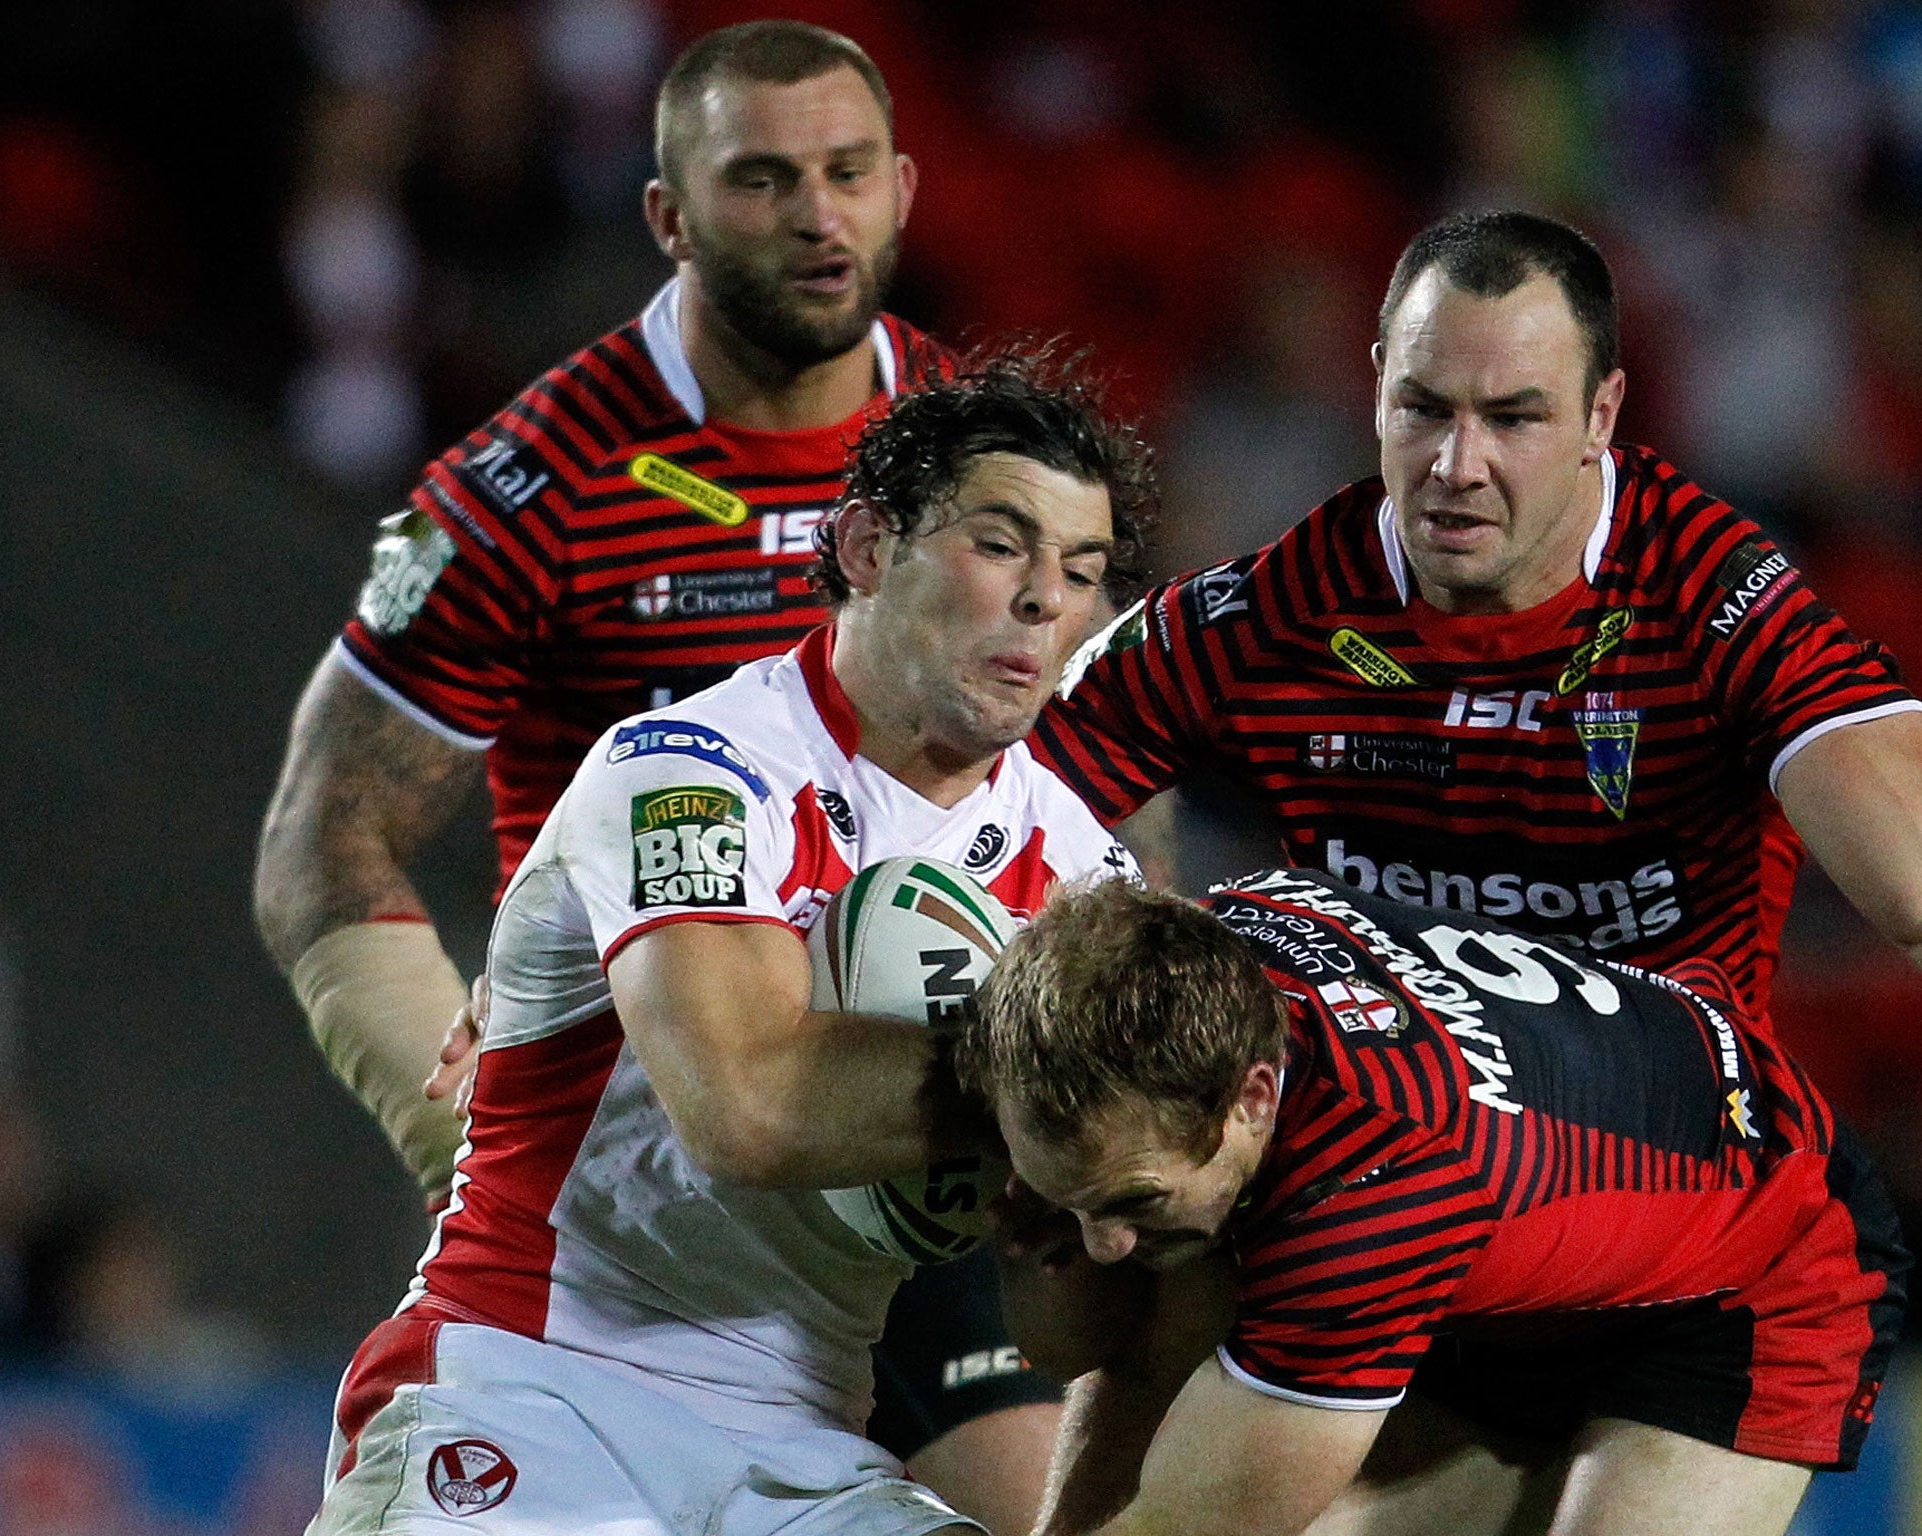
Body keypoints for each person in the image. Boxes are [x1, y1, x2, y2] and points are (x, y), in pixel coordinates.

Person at [255, 21, 1061, 1523]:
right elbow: (325, 841)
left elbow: (1097, 785)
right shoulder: (539, 480)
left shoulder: (990, 468)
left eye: (844, 175)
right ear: (669, 216)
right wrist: (458, 1125)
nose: (817, 217)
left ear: (903, 187)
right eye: (763, 181)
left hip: (909, 1141)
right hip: (638, 1168)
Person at [306, 352, 1154, 1535]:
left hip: (809, 1439)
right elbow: (746, 1106)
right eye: (1001, 543)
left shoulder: (1076, 873)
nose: (1042, 601)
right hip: (534, 1390)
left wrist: (1100, 1201)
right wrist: (1058, 1085)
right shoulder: (694, 771)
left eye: (1080, 571)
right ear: (865, 548)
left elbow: (1063, 1307)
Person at [1033, 209, 1922, 1017]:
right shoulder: (1274, 610)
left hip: (1675, 1150)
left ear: (1600, 415)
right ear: (1379, 385)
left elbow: (1912, 892)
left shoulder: (1707, 593)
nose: (1457, 465)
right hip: (1388, 1143)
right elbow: (990, 810)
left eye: (1513, 419)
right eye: (1423, 408)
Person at [958, 871, 1908, 1536]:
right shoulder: (1196, 955)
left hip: (1768, 1266)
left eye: (1128, 1200)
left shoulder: (1372, 1194)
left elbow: (1193, 1526)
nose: (1104, 1244)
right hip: (1555, 1203)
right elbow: (1125, 1364)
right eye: (1067, 1202)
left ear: (1252, 1096)